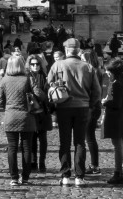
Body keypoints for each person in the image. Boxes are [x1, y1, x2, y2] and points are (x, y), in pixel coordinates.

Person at [47, 38, 101, 187]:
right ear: (78, 51)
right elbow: (97, 91)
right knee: (80, 142)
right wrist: (90, 105)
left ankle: (65, 175)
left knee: (64, 142)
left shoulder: (58, 64)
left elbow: (48, 85)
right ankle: (79, 176)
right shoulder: (88, 67)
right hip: (83, 108)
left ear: (66, 50)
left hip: (63, 107)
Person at [0, 55, 35, 186]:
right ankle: (25, 177)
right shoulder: (27, 79)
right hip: (26, 116)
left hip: (11, 116)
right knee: (26, 148)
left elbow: (0, 100)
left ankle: (13, 177)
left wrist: (8, 108)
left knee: (12, 147)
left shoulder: (4, 80)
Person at [102, 59, 123, 185]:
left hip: (116, 118)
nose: (106, 73)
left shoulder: (116, 84)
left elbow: (116, 103)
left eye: (108, 71)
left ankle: (118, 173)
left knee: (118, 146)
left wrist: (104, 102)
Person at [80, 49, 104, 176]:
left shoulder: (92, 71)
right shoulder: (97, 70)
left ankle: (95, 166)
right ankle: (94, 165)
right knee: (89, 137)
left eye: (83, 59)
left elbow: (94, 91)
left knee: (89, 137)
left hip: (91, 106)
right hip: (95, 106)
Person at [26, 54, 52, 173]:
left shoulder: (45, 77)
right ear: (29, 65)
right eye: (33, 64)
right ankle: (33, 161)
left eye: (37, 64)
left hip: (43, 111)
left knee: (43, 138)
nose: (35, 66)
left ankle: (42, 162)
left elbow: (48, 95)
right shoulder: (26, 77)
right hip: (31, 111)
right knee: (32, 138)